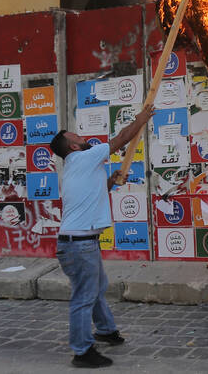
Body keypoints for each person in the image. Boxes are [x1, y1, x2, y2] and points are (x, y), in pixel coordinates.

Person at [49, 105, 153, 368]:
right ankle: (82, 352)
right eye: (77, 136)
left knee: (95, 289)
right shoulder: (84, 157)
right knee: (84, 296)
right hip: (78, 245)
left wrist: (110, 182)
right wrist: (140, 120)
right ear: (73, 147)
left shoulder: (78, 165)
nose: (82, 137)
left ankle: (106, 330)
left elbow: (93, 192)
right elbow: (121, 139)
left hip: (81, 243)